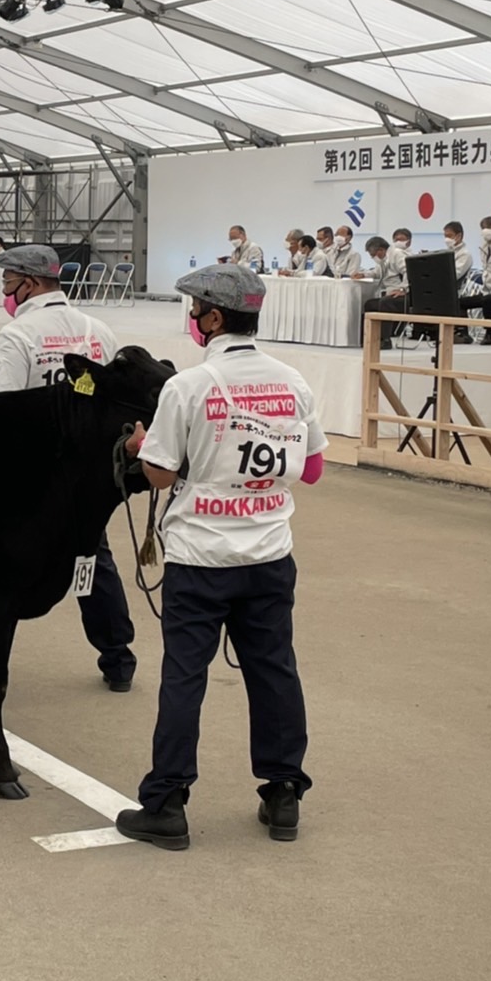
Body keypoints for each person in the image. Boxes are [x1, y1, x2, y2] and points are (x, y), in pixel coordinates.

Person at [115, 264, 325, 851]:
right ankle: (284, 793)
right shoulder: (292, 381)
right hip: (269, 555)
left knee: (185, 676)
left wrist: (138, 446)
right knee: (274, 670)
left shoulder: (188, 386)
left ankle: (168, 801)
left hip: (201, 557)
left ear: (212, 318)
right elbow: (310, 468)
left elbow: (158, 475)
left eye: (194, 310)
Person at [0, 243, 136, 706]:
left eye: (8, 282)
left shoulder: (19, 334)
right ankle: (118, 656)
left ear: (31, 283)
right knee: (92, 558)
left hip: (34, 476)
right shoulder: (99, 331)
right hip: (89, 474)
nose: (6, 291)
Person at [356, 235, 409, 348]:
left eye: (373, 255)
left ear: (381, 250)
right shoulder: (383, 259)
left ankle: (385, 340)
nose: (372, 258)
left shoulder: (397, 254)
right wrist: (363, 274)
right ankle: (367, 338)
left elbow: (409, 271)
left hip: (405, 294)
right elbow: (377, 272)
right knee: (369, 304)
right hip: (391, 293)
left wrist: (403, 288)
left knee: (385, 302)